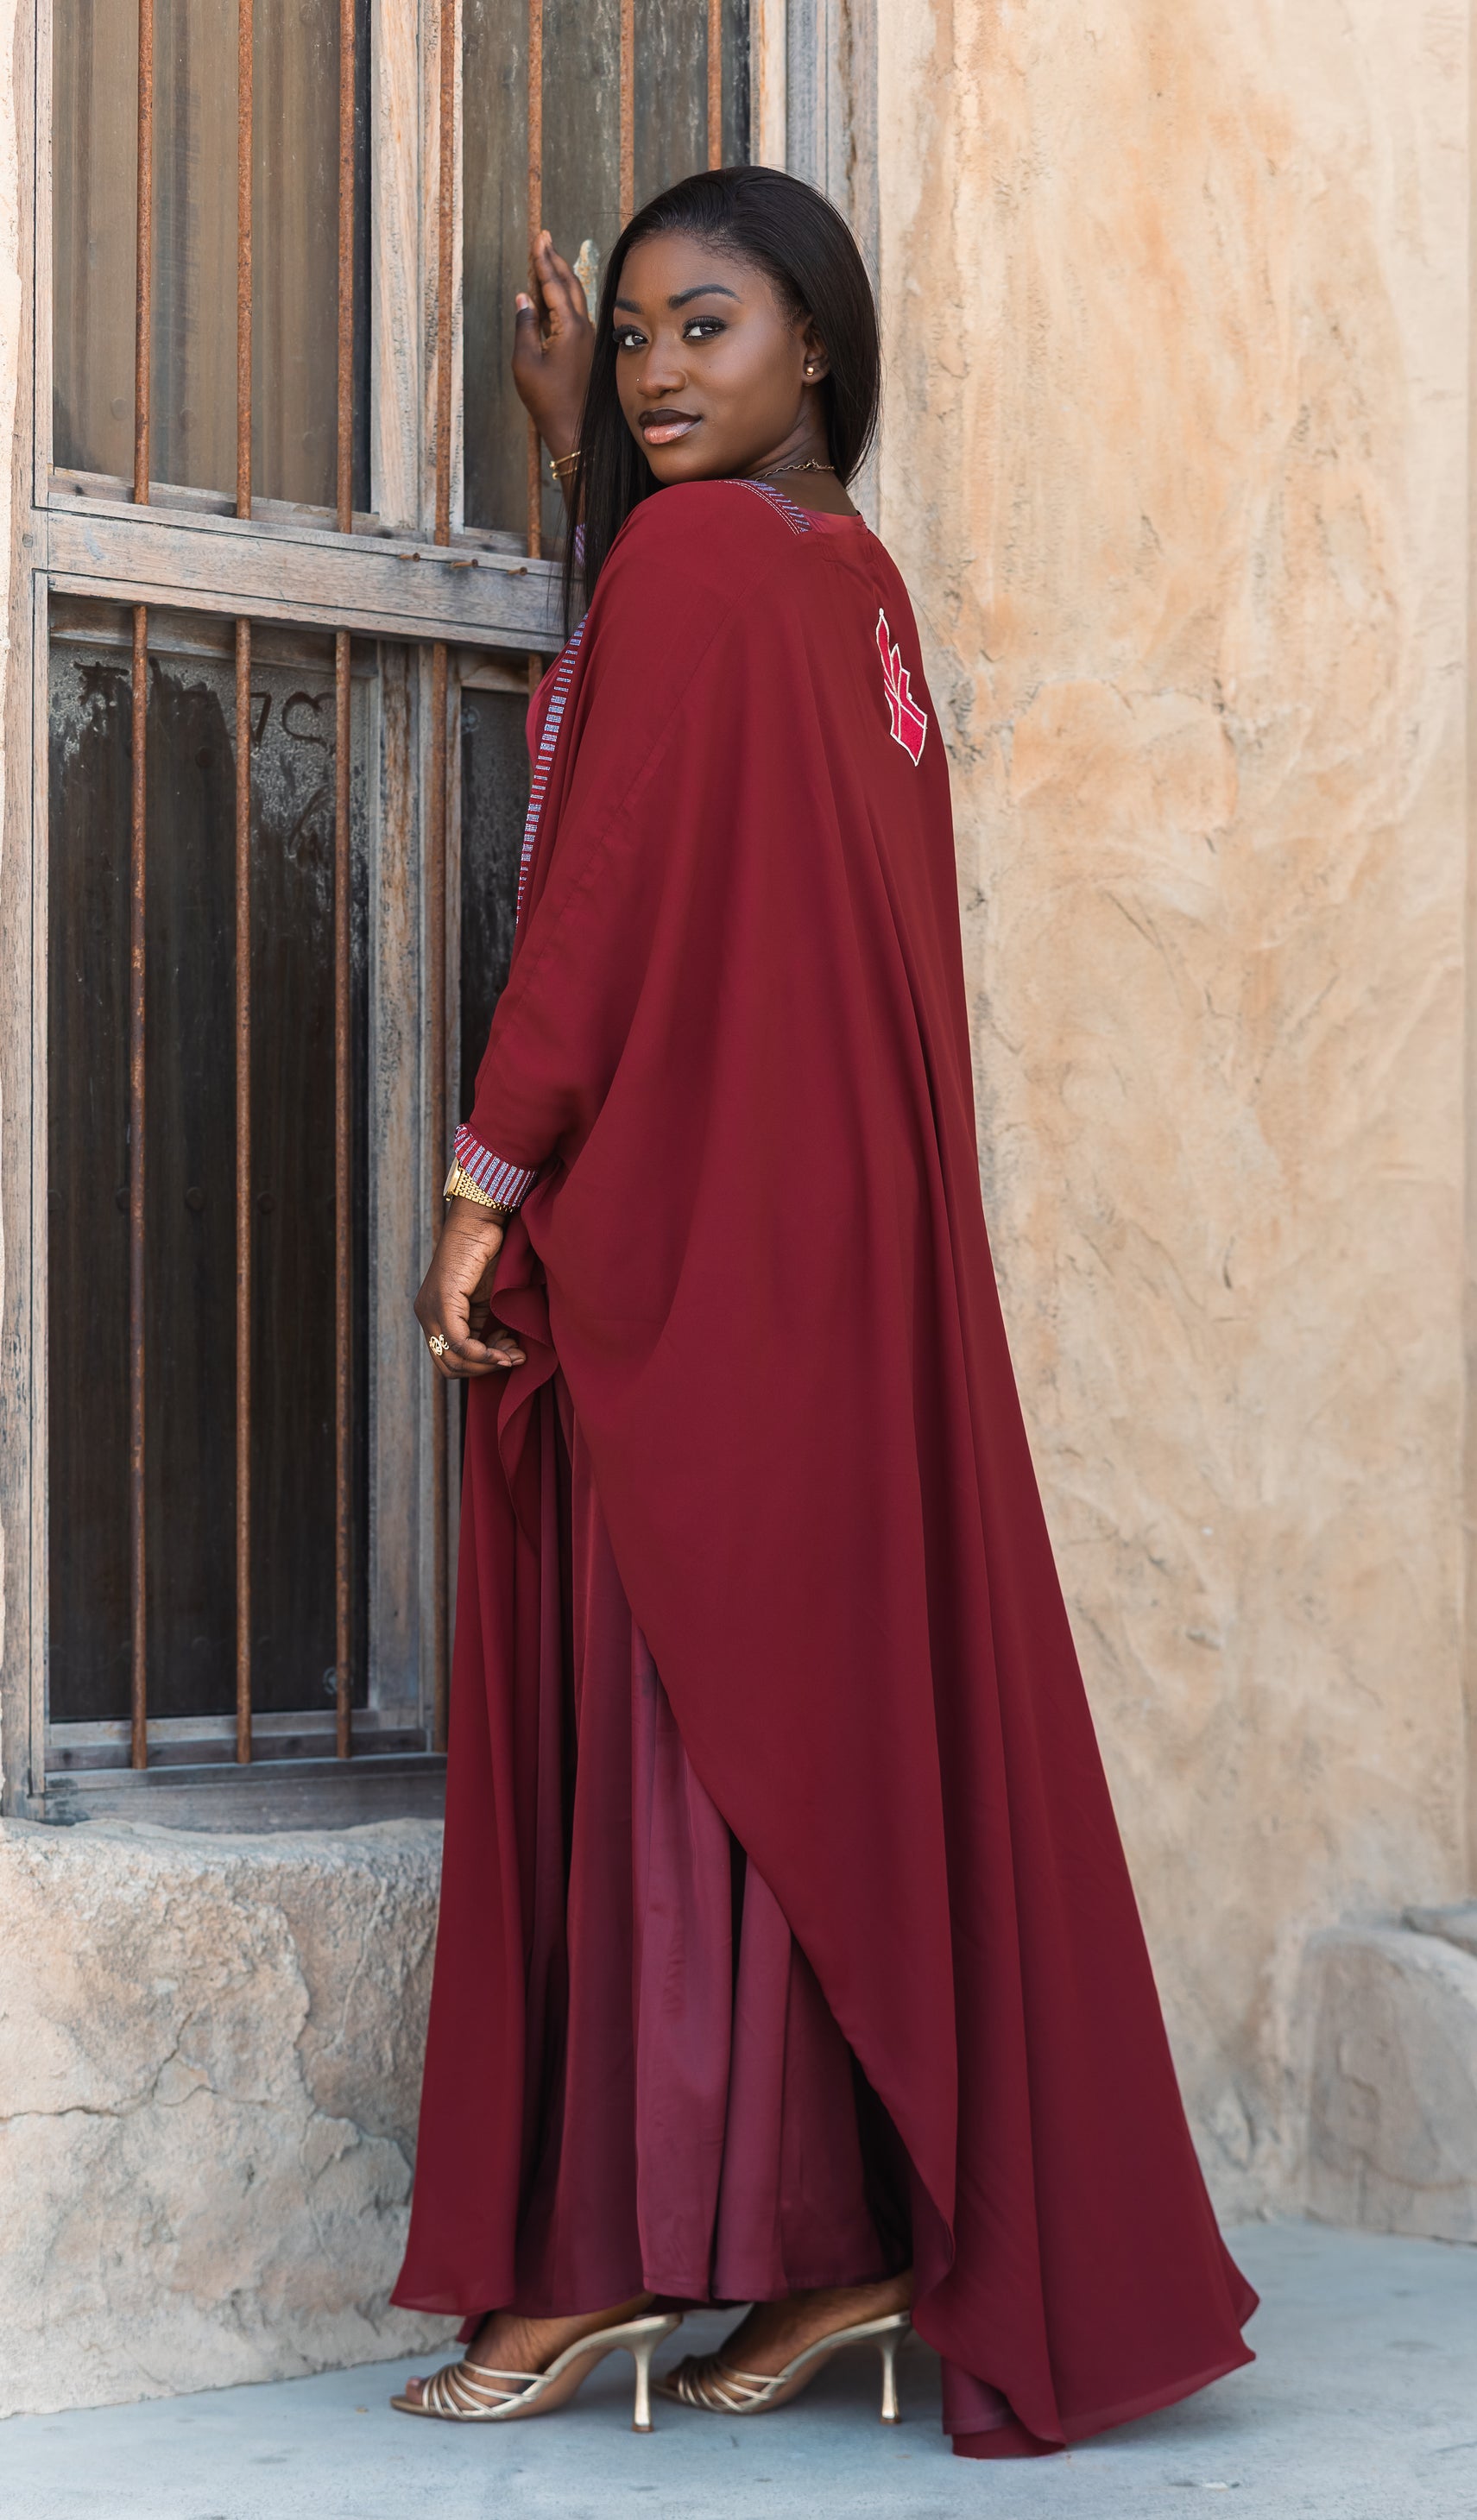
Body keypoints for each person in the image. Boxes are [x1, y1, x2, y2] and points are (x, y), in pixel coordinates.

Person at [391, 164, 1255, 2460]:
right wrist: (585, 463)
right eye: (638, 338)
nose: (662, 371)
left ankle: (608, 2264)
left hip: (697, 1249)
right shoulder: (828, 578)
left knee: (672, 1718)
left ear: (818, 354)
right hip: (834, 1262)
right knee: (804, 1721)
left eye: (707, 331)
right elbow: (670, 771)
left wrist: (487, 1180)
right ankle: (854, 2239)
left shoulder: (708, 567)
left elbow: (599, 887)